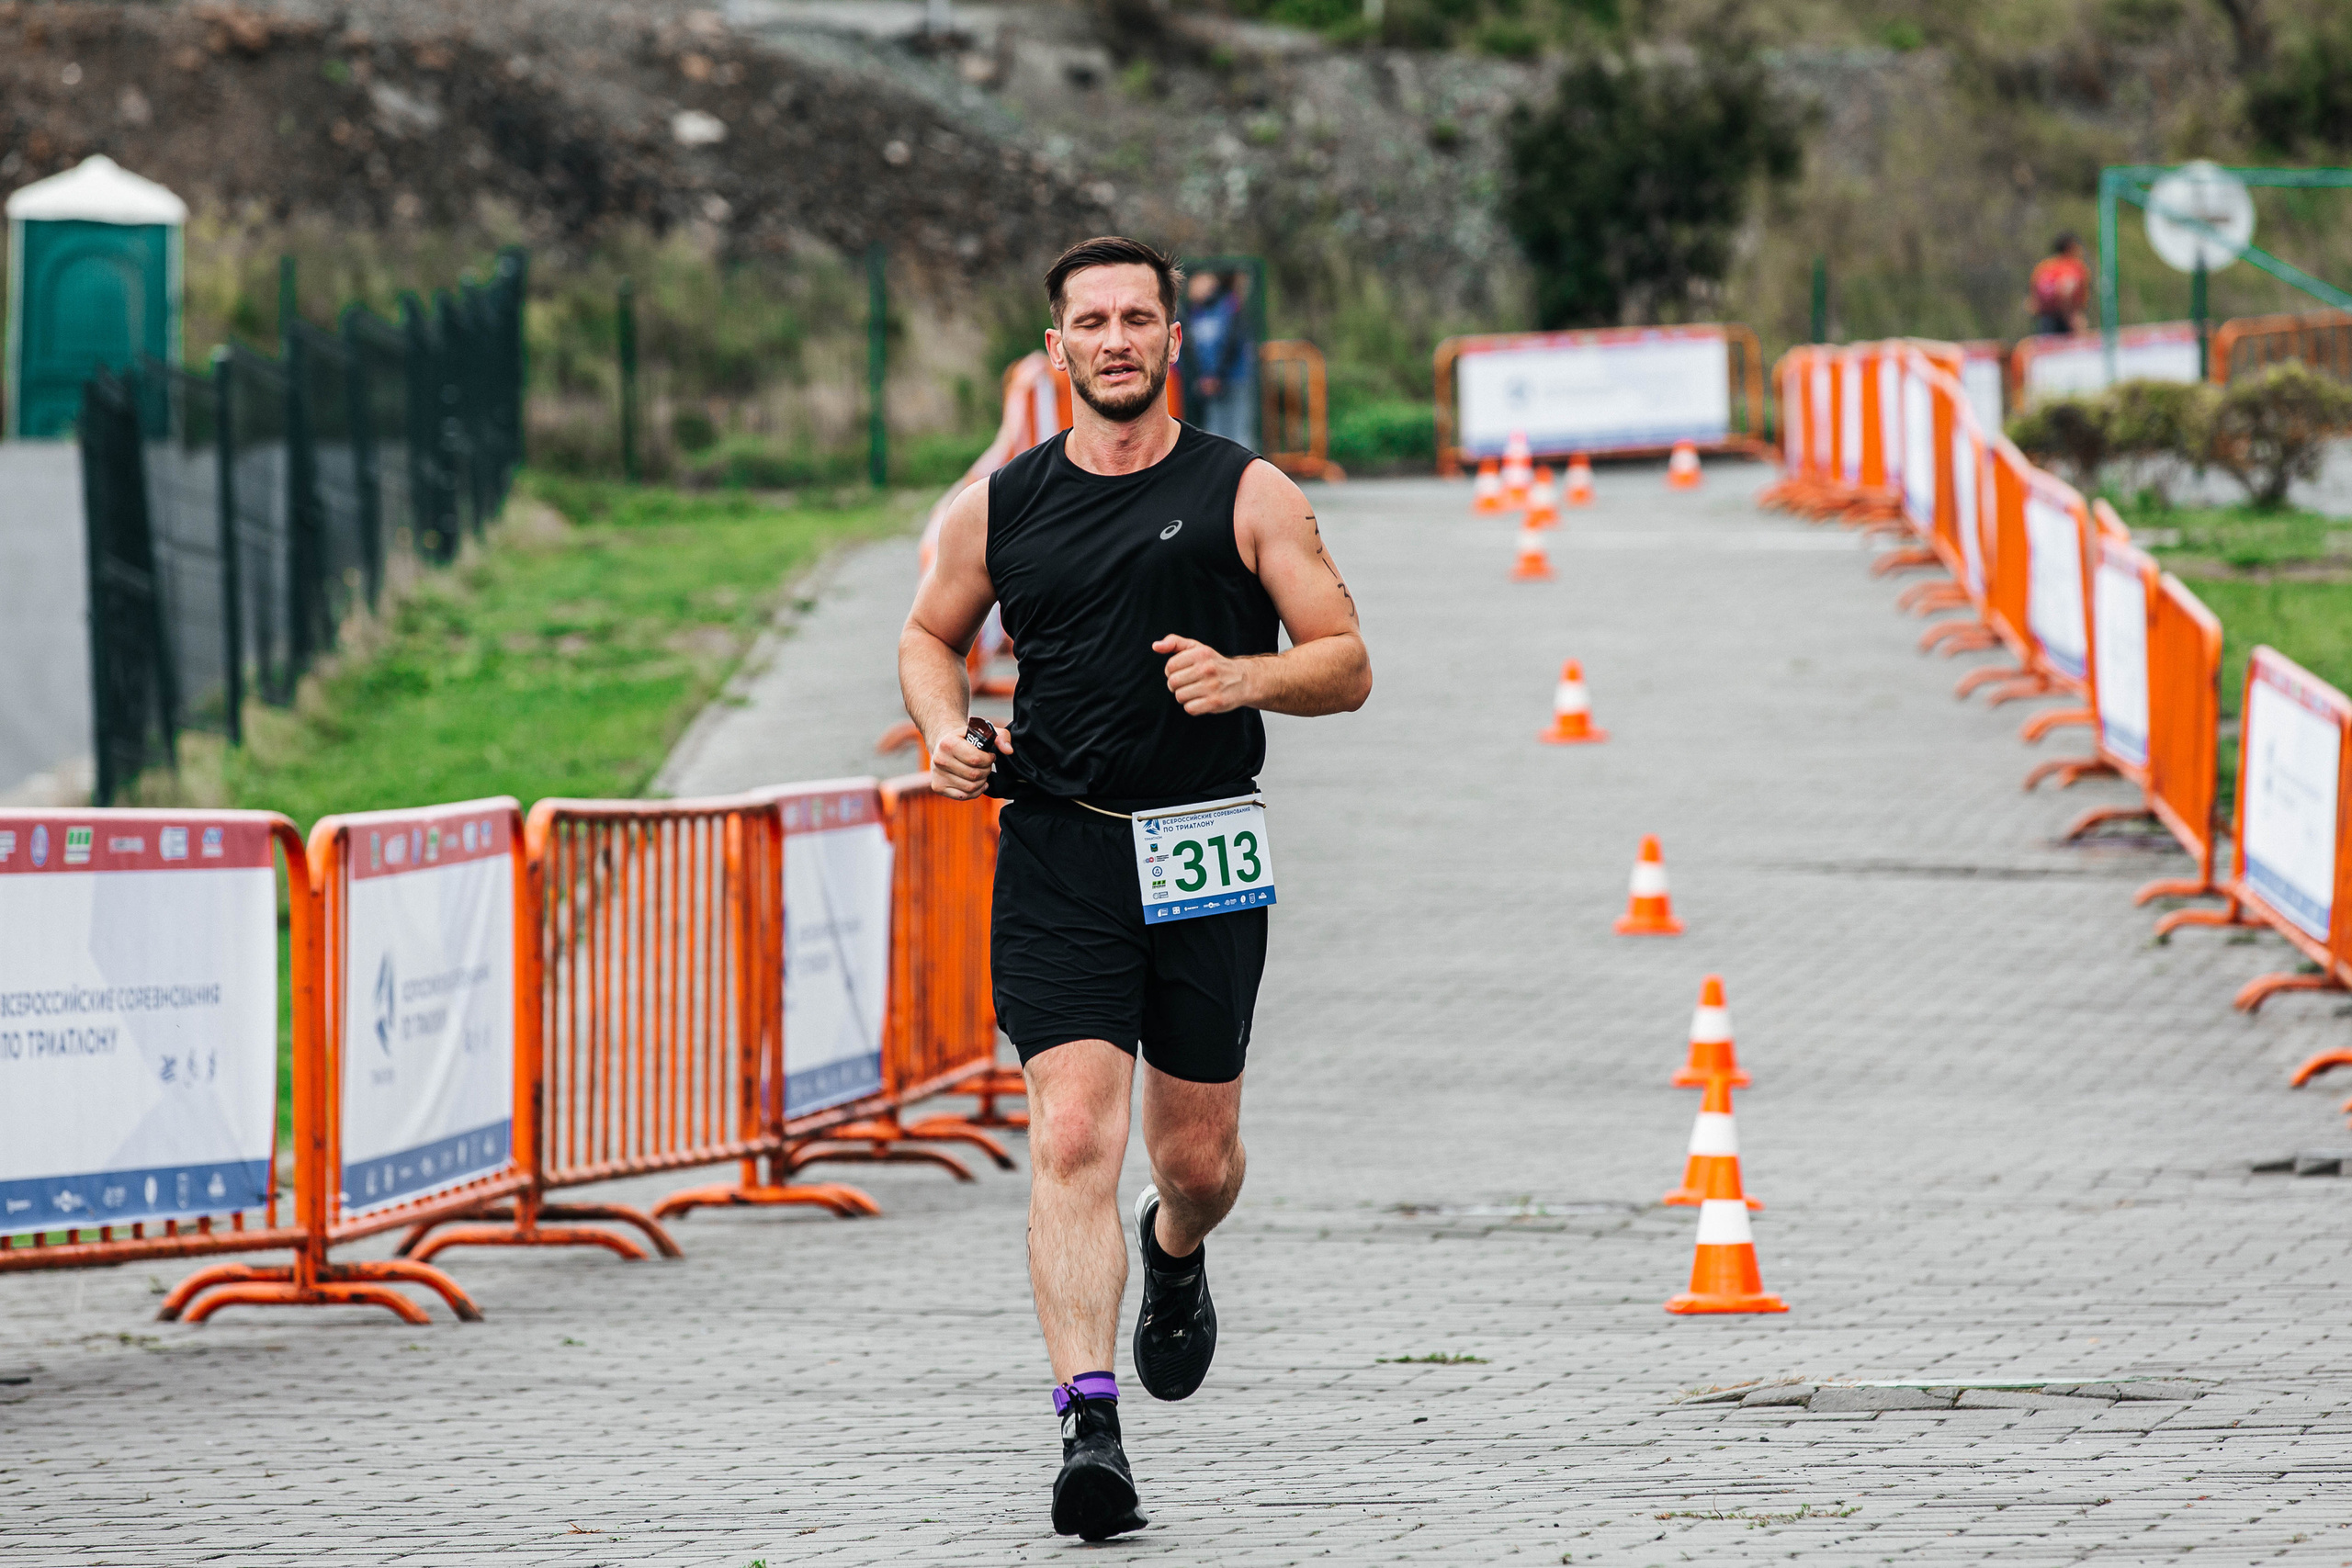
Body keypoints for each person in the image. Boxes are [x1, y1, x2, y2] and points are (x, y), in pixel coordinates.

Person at [899, 234, 1371, 1541]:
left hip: (1207, 841)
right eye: (1090, 321)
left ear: (1174, 341)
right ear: (1057, 347)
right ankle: (1087, 1423)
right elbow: (929, 633)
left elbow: (1345, 659)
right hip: (1060, 842)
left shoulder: (1248, 490)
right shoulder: (999, 506)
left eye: (1138, 318)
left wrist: (1247, 676)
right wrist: (944, 725)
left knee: (1197, 1156)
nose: (1115, 339)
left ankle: (1176, 1247)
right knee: (1069, 1134)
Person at [1182, 268, 1257, 448]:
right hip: (1209, 383)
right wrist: (1204, 377)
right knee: (1215, 433)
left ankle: (1244, 474)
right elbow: (1192, 348)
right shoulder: (1195, 312)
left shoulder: (1229, 305)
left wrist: (1217, 376)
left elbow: (1232, 342)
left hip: (1234, 379)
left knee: (1238, 432)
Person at [2029, 232, 2091, 337]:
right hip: (2064, 321)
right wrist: (2072, 317)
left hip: (2045, 320)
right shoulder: (2072, 266)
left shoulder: (2044, 267)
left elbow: (2032, 302)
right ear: (2070, 247)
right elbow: (2065, 290)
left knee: (2049, 350)